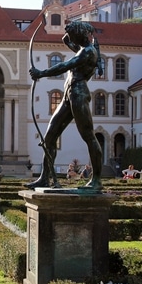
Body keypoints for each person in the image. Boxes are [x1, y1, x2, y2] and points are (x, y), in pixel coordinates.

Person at [26, 21, 103, 190]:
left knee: (89, 136)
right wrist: (68, 31)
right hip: (69, 95)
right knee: (49, 136)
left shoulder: (88, 52)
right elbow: (65, 40)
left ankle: (96, 180)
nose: (72, 39)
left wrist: (42, 73)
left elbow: (64, 65)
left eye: (75, 35)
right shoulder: (83, 49)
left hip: (79, 95)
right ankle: (44, 178)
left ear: (81, 35)